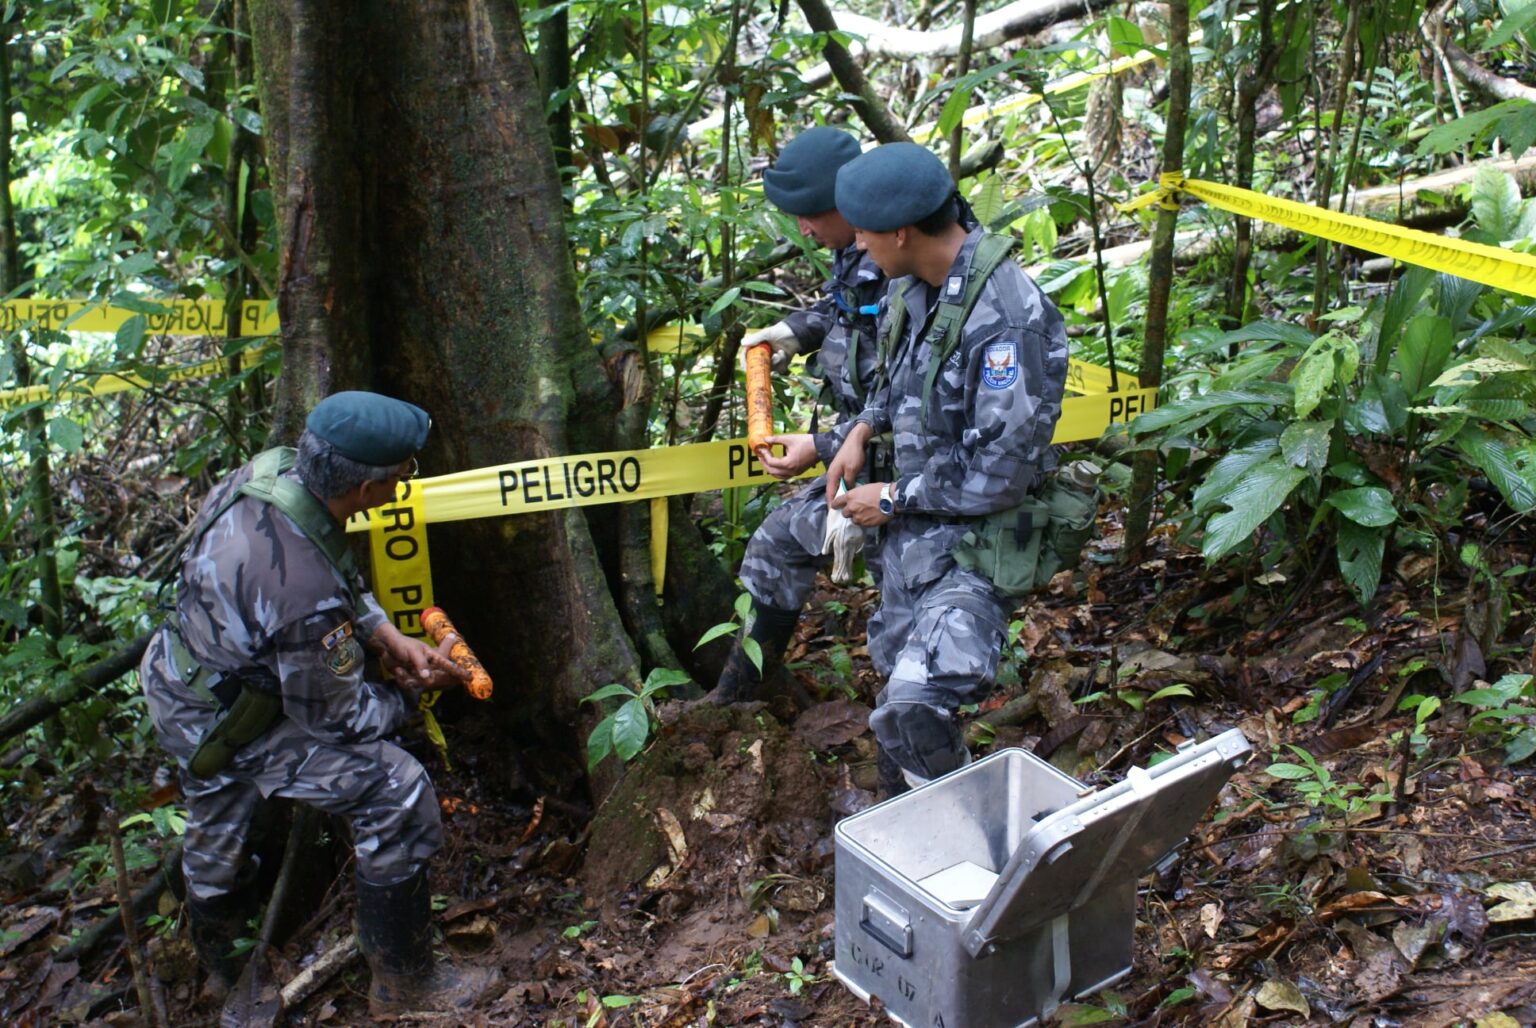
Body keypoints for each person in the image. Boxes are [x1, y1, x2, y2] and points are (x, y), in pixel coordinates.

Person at [138, 391, 500, 1016]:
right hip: (234, 719)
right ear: (366, 490)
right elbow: (339, 720)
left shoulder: (271, 472)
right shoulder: (303, 593)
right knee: (397, 788)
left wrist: (383, 633)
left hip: (182, 681)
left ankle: (221, 964)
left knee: (216, 810)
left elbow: (332, 567)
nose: (405, 484)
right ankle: (405, 981)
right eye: (403, 475)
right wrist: (413, 696)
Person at [824, 143, 1069, 793]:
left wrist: (894, 497)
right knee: (894, 720)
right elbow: (897, 383)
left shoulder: (1008, 317)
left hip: (978, 549)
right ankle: (908, 842)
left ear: (900, 232)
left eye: (864, 233)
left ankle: (983, 844)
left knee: (913, 706)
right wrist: (861, 429)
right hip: (915, 548)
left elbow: (1000, 473)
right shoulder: (916, 287)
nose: (858, 246)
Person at [709, 125, 889, 703]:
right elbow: (846, 310)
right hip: (862, 448)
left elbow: (908, 390)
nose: (804, 230)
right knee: (776, 543)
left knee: (906, 613)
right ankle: (740, 695)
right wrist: (795, 330)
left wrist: (821, 444)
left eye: (811, 214)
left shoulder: (900, 257)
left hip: (912, 465)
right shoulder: (857, 247)